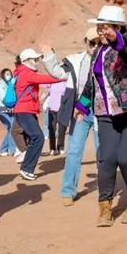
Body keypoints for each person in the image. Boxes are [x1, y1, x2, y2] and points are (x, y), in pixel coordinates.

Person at [76, 6, 127, 226]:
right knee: (106, 159)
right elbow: (91, 83)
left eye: (106, 27)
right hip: (105, 113)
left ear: (117, 27)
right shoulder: (98, 52)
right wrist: (82, 106)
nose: (101, 31)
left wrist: (116, 37)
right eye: (100, 27)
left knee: (126, 159)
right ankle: (105, 207)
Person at [41, 28, 100, 206]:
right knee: (74, 151)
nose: (95, 47)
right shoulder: (74, 61)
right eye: (92, 43)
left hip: (102, 112)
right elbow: (58, 72)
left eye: (98, 43)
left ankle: (105, 189)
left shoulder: (108, 59)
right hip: (80, 111)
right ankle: (68, 191)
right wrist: (49, 56)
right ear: (85, 42)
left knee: (102, 152)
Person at [12, 49, 63, 181]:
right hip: (24, 111)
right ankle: (26, 168)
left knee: (33, 138)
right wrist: (63, 76)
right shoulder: (26, 73)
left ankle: (26, 165)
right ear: (26, 60)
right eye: (34, 59)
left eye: (37, 59)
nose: (37, 62)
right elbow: (45, 79)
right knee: (38, 138)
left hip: (26, 110)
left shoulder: (23, 72)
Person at [0, 69, 18, 156]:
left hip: (10, 109)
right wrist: (10, 106)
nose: (9, 76)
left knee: (11, 128)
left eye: (10, 74)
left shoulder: (10, 85)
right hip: (2, 109)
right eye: (7, 74)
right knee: (12, 127)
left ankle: (3, 149)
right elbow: (4, 98)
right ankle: (13, 150)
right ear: (3, 75)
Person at [46, 80, 68, 155]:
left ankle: (60, 147)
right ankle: (52, 148)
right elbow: (47, 91)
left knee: (62, 128)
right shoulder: (51, 80)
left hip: (62, 108)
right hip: (52, 108)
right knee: (51, 128)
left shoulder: (65, 81)